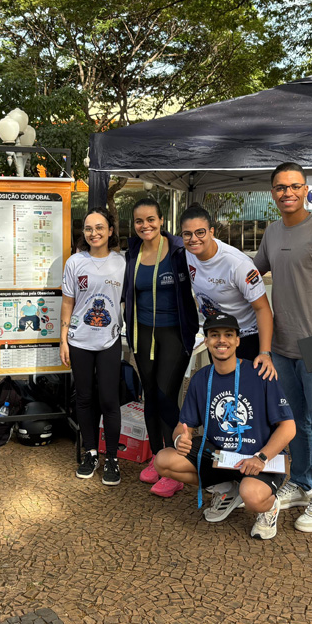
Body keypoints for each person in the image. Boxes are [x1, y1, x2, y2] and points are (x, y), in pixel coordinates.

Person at [253, 162, 312, 533]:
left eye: (294, 186)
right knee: (295, 422)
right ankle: (302, 482)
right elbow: (252, 273)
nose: (287, 193)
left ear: (306, 190)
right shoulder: (272, 232)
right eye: (280, 187)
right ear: (272, 193)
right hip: (282, 344)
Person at [154, 313, 296, 540]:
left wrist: (261, 457)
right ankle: (227, 488)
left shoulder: (261, 373)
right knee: (163, 461)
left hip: (260, 457)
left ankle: (269, 507)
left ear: (238, 340)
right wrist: (181, 438)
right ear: (206, 341)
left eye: (228, 335)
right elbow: (184, 426)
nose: (222, 340)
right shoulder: (201, 378)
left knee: (252, 496)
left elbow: (288, 427)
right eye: (214, 335)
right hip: (221, 456)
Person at [121, 198, 197, 497]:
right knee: (150, 395)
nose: (145, 225)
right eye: (139, 221)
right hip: (142, 333)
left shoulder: (179, 251)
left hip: (174, 334)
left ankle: (175, 465)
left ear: (161, 220)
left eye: (150, 219)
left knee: (166, 396)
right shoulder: (133, 253)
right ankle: (157, 456)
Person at [60, 207, 125, 484]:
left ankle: (112, 457)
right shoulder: (75, 262)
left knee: (109, 399)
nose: (94, 233)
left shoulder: (122, 263)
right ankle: (90, 452)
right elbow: (68, 303)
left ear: (110, 231)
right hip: (79, 340)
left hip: (109, 340)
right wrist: (63, 339)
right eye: (88, 228)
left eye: (99, 227)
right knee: (84, 399)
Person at [179, 205, 277, 376]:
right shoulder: (188, 254)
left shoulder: (238, 264)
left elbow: (262, 309)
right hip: (216, 334)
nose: (194, 239)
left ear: (211, 232)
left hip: (246, 337)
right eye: (187, 234)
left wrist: (264, 353)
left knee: (246, 389)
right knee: (222, 386)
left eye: (200, 232)